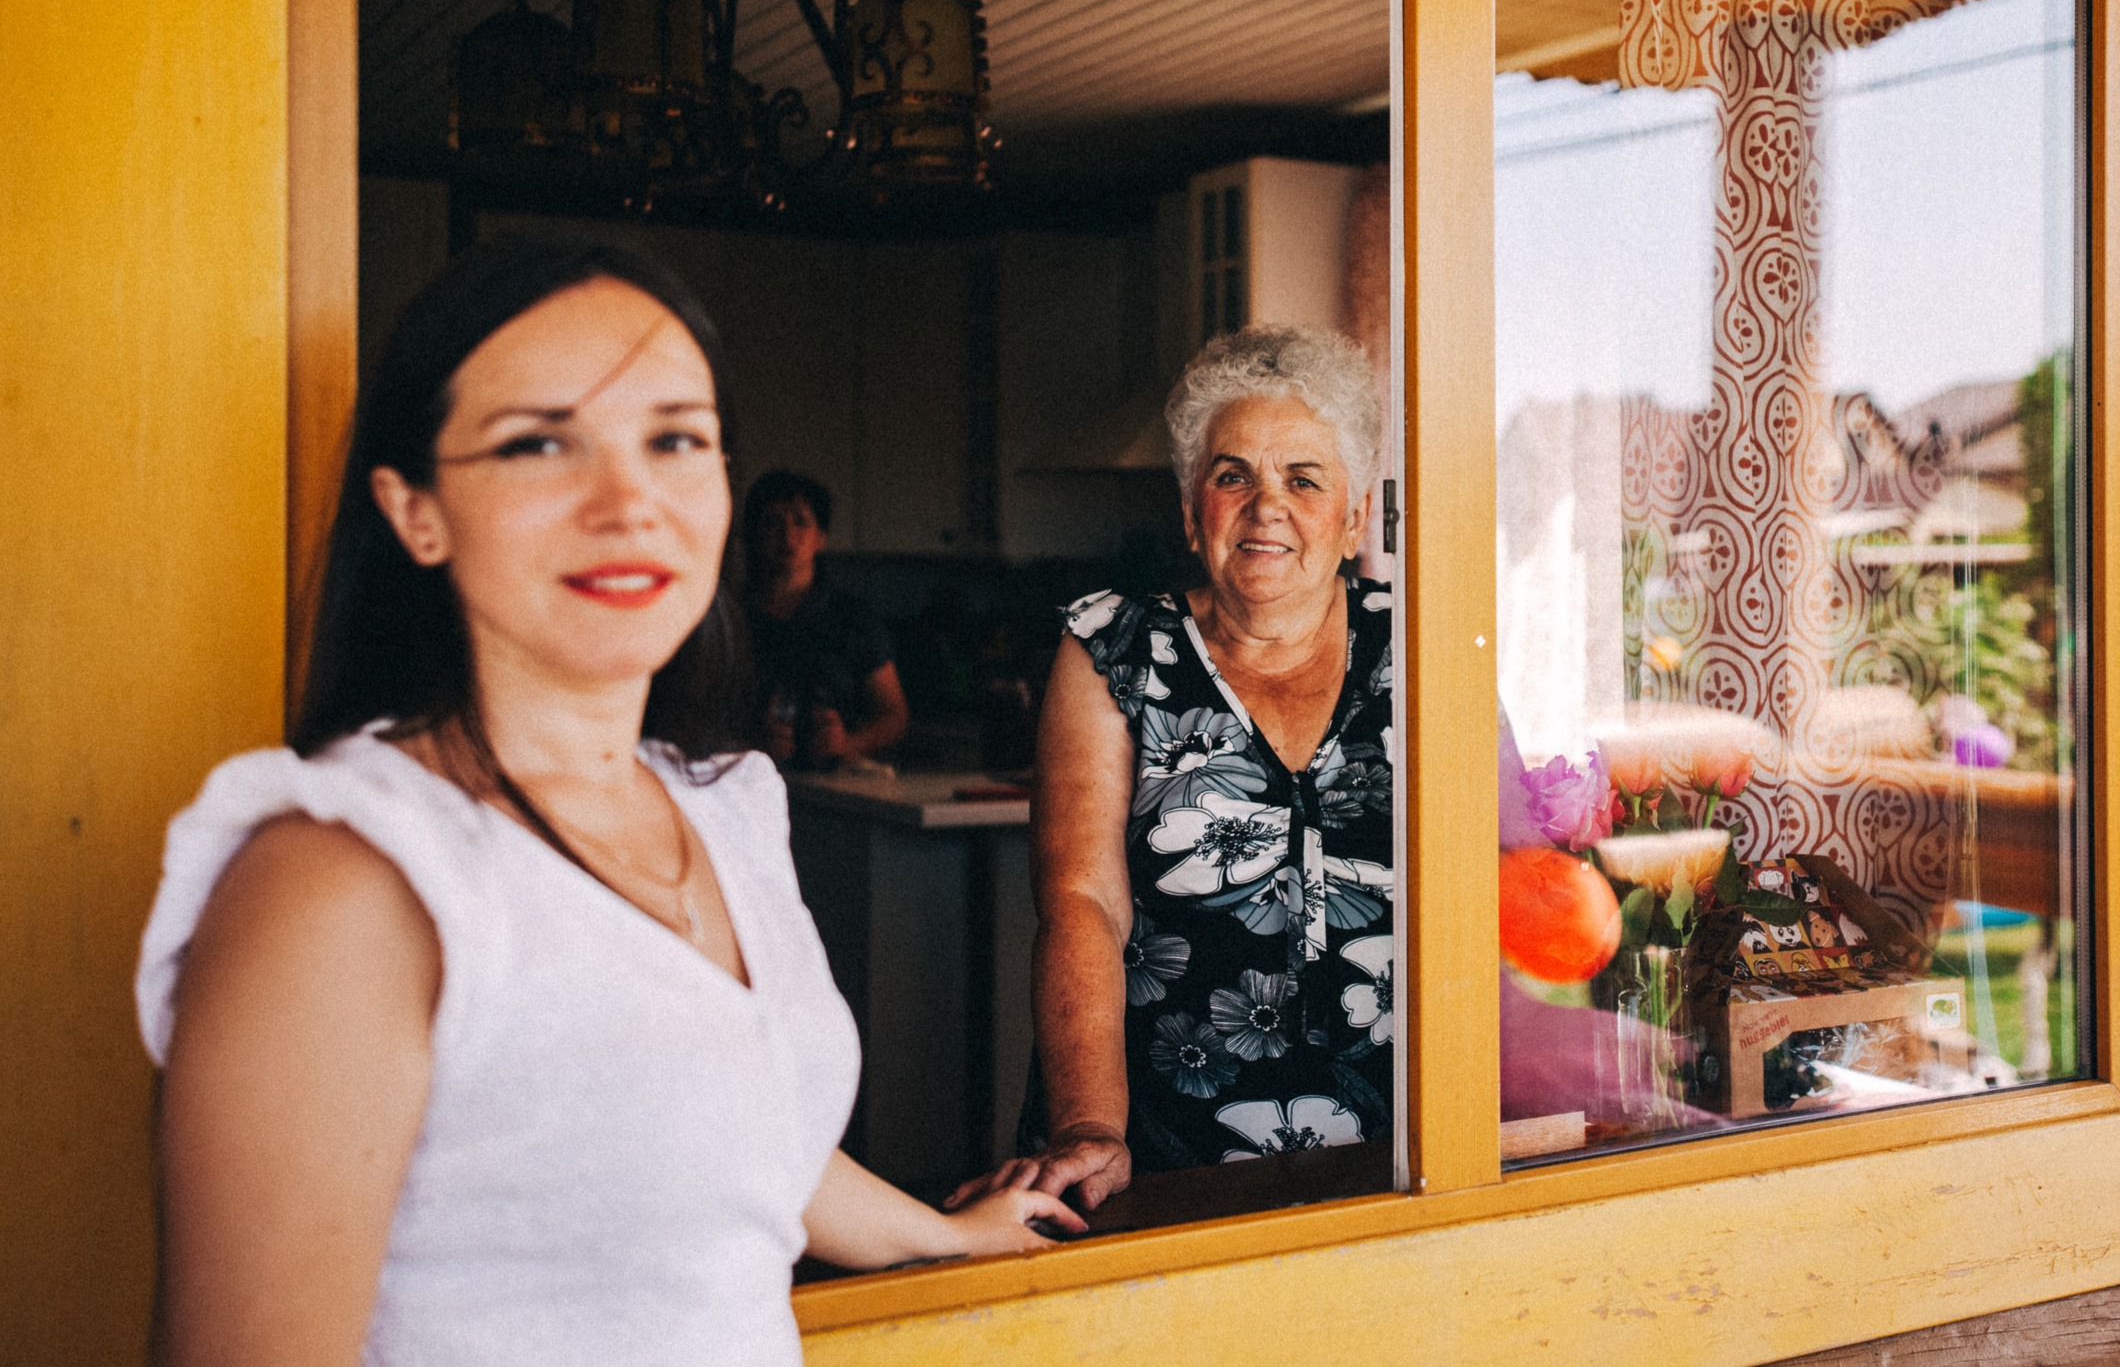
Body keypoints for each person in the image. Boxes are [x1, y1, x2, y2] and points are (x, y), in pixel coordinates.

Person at [136, 238, 1076, 1367]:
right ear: (415, 510)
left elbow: (738, 1118)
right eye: (540, 443)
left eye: (675, 439)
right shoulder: (346, 881)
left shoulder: (726, 805)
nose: (628, 501)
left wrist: (940, 1231)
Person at [949, 326, 1394, 1212]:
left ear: (1352, 519)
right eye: (1233, 475)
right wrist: (1089, 1128)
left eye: (1304, 479)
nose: (1266, 506)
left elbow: (1506, 879)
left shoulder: (1420, 645)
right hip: (1154, 1142)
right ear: (1193, 513)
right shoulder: (1115, 647)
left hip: (1393, 1150)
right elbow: (1082, 899)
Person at [738, 469, 908, 772]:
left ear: (821, 537)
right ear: (754, 534)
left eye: (800, 521)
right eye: (773, 522)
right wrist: (748, 746)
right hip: (743, 784)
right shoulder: (730, 620)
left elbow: (894, 714)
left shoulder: (852, 617)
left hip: (834, 787)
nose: (787, 535)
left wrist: (848, 744)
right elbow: (691, 718)